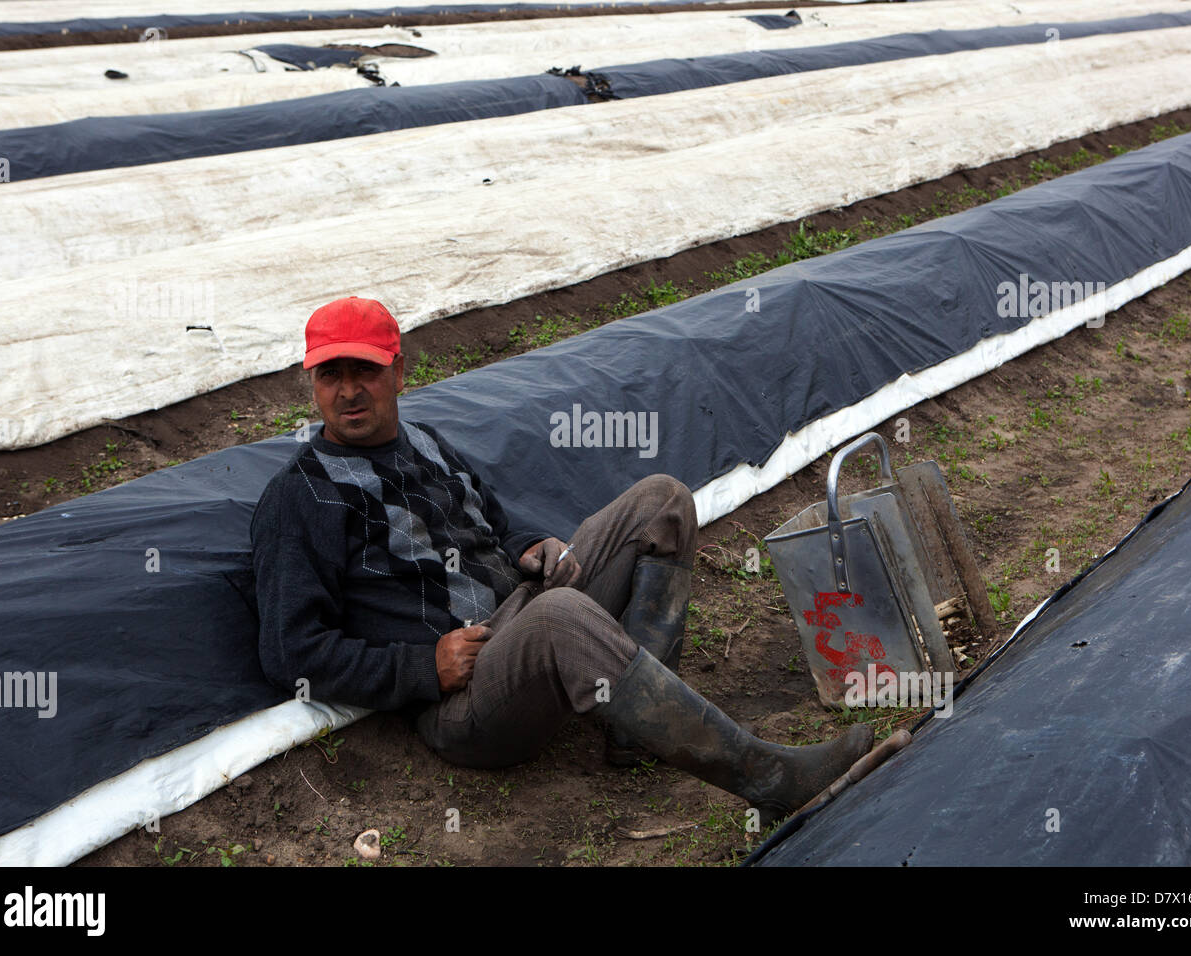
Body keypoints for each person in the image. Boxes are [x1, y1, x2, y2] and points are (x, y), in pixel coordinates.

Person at [250, 296, 873, 823]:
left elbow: (491, 519)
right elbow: (290, 650)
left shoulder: (424, 442)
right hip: (462, 703)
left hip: (520, 616)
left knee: (663, 500)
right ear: (313, 382)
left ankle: (635, 730)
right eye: (331, 374)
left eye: (365, 369)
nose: (349, 390)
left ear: (398, 372)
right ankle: (770, 782)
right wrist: (423, 667)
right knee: (561, 617)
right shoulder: (301, 498)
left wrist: (530, 545)